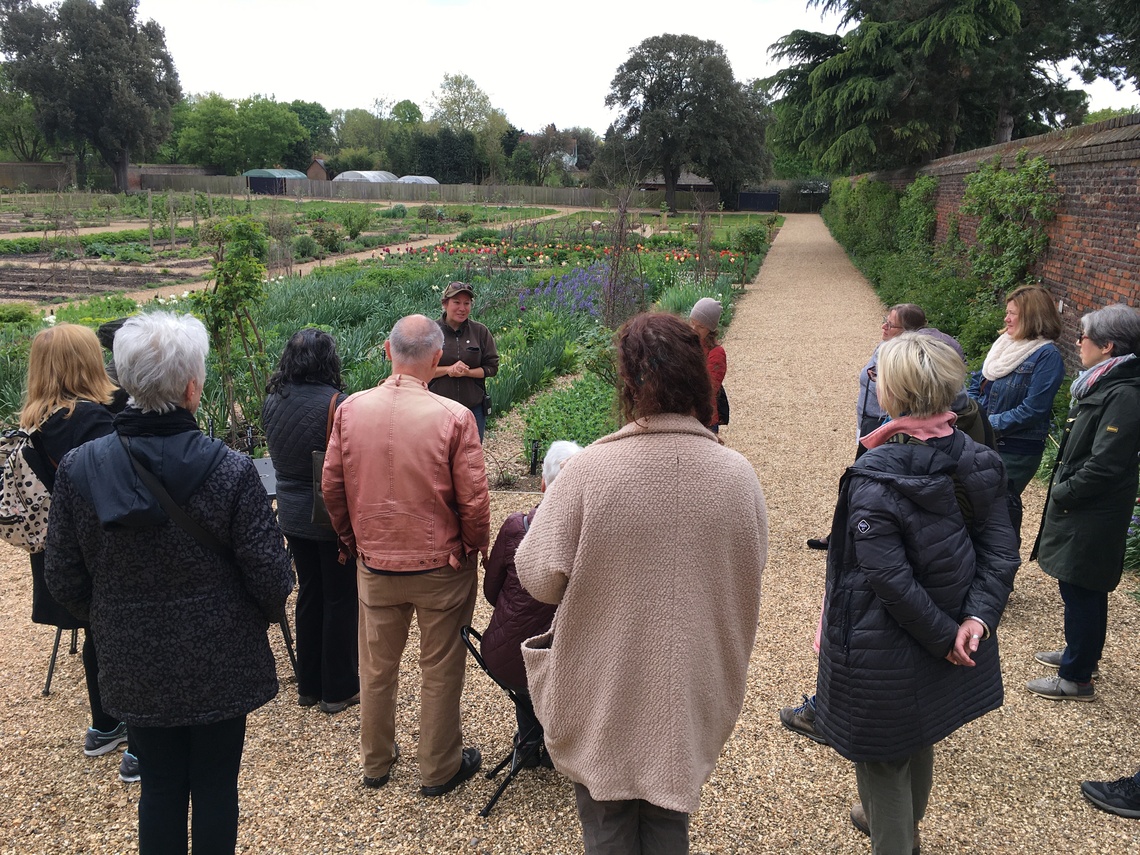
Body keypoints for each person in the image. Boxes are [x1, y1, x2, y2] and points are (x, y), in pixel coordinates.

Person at [516, 312, 768, 855]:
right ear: (700, 379)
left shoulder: (590, 472)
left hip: (605, 684)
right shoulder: (737, 477)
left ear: (629, 383)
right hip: (690, 687)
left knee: (606, 825)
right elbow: (749, 567)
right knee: (668, 820)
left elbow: (537, 577)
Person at [44, 311, 294, 855]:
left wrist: (115, 611)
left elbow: (62, 577)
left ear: (126, 381)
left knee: (156, 787)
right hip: (220, 659)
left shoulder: (80, 468)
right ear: (191, 388)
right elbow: (274, 581)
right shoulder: (230, 470)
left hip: (132, 659)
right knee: (214, 786)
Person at [814, 332, 1020, 855]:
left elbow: (890, 584)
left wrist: (945, 635)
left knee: (880, 754)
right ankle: (902, 823)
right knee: (921, 726)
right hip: (949, 632)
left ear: (893, 394)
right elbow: (1000, 550)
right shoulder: (978, 457)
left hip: (883, 643)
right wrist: (974, 622)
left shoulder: (874, 478)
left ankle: (895, 836)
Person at [322, 314, 491, 796]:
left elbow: (332, 487)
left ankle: (376, 762)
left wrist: (351, 541)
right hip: (441, 566)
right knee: (440, 669)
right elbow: (474, 500)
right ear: (437, 359)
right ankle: (438, 768)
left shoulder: (350, 410)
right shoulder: (454, 418)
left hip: (375, 563)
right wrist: (475, 545)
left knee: (375, 668)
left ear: (386, 350)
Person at [19, 323, 135, 781]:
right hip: (101, 549)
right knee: (126, 638)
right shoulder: (90, 421)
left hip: (60, 551)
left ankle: (105, 726)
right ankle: (142, 748)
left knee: (96, 633)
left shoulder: (35, 421)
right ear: (85, 362)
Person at [1026, 304, 1140, 702]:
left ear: (1107, 346)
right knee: (1079, 589)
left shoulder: (1123, 394)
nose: (1078, 343)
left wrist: (1063, 491)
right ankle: (1081, 656)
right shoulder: (1105, 383)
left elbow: (1106, 465)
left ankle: (1077, 678)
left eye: (1083, 337)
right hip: (1086, 509)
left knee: (1083, 589)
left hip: (1093, 512)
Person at [263, 328, 359, 714]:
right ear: (328, 360)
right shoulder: (337, 402)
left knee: (309, 592)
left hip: (291, 511)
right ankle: (338, 689)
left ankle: (308, 685)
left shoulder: (273, 400)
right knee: (339, 596)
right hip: (329, 512)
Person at [481, 440, 582, 765]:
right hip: (567, 665)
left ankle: (526, 744)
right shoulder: (588, 538)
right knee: (556, 656)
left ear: (542, 484)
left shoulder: (515, 527)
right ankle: (557, 747)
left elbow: (490, 592)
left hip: (506, 657)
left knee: (525, 653)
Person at [808, 304, 926, 549]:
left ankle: (844, 537)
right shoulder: (884, 345)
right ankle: (848, 534)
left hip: (885, 425)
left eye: (890, 324)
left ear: (907, 331)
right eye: (886, 320)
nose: (884, 326)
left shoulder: (906, 356)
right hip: (869, 421)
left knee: (858, 482)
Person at [968, 285, 1064, 531]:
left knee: (997, 512)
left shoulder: (1047, 356)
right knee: (972, 508)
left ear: (1032, 317)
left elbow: (1034, 409)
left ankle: (1000, 562)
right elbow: (977, 383)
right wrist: (969, 414)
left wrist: (986, 423)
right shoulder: (1005, 344)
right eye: (1007, 312)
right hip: (983, 439)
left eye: (1013, 314)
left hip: (1015, 449)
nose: (1006, 318)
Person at [428, 281, 499, 442]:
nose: (462, 308)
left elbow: (492, 367)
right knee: (439, 457)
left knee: (470, 458)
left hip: (473, 408)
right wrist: (448, 370)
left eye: (467, 303)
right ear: (445, 303)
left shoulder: (480, 331)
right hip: (437, 409)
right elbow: (420, 369)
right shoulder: (431, 331)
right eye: (456, 302)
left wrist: (468, 373)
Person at [688, 297, 726, 432]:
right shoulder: (688, 344)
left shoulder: (716, 353)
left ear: (710, 329)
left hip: (705, 418)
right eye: (692, 323)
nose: (694, 329)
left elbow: (709, 389)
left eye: (700, 326)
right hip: (685, 415)